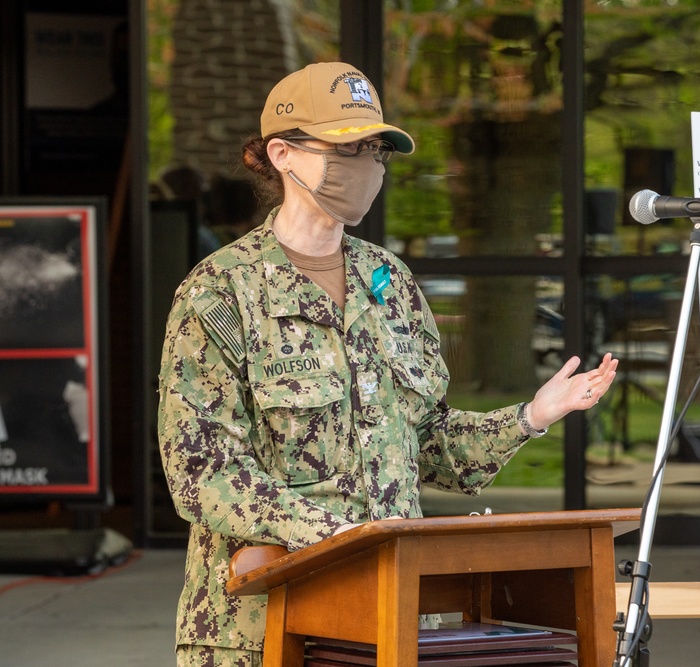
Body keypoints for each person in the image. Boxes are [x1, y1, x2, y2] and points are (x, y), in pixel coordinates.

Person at [157, 61, 618, 667]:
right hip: (261, 628)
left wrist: (531, 415)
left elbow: (427, 444)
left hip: (393, 622)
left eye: (376, 150)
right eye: (347, 148)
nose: (367, 166)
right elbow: (202, 474)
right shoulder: (220, 293)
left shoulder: (389, 283)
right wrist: (338, 536)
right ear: (282, 154)